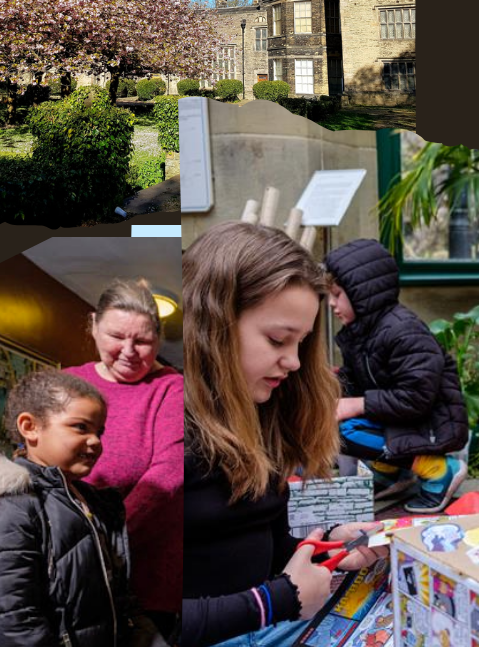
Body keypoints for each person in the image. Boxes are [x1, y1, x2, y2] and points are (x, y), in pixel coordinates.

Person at [184, 223, 385, 647]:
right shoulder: (172, 437)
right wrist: (273, 601)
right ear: (211, 326)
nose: (294, 362)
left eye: (301, 343)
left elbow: (261, 541)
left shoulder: (262, 412)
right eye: (278, 340)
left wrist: (323, 545)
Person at [0, 368, 156, 647]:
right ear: (30, 427)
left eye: (99, 431)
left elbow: (121, 599)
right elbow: (9, 622)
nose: (96, 441)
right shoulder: (5, 506)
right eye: (80, 427)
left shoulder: (93, 503)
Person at [66, 278, 183, 634]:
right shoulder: (66, 384)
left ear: (158, 339)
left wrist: (103, 541)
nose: (129, 351)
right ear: (94, 326)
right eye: (116, 336)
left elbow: (169, 472)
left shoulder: (172, 387)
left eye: (143, 341)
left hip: (144, 575)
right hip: (69, 567)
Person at [325, 239, 469, 514]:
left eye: (337, 294)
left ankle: (439, 470)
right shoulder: (361, 333)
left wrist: (356, 404)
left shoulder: (404, 331)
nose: (331, 303)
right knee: (334, 423)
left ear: (362, 292)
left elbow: (417, 397)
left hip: (431, 426)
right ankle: (390, 470)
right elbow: (355, 381)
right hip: (400, 420)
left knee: (346, 431)